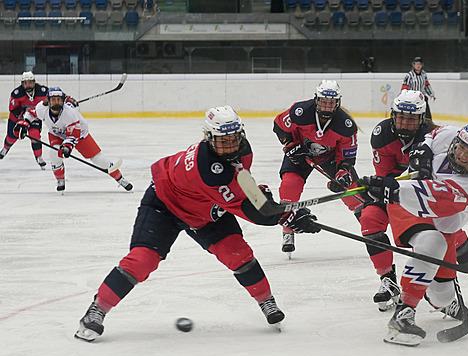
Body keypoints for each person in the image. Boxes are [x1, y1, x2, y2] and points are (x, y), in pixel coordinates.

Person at [74, 105, 320, 342]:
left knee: (239, 254)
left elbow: (246, 188)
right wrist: (285, 215)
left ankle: (267, 301)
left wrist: (275, 208)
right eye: (223, 141)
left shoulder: (242, 150)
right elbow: (252, 210)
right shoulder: (208, 168)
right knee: (142, 260)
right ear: (209, 138)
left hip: (205, 210)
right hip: (165, 205)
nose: (231, 144)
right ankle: (96, 311)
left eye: (234, 138)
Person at [358, 120, 468, 346]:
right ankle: (403, 316)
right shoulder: (452, 134)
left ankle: (434, 297)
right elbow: (432, 134)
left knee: (442, 296)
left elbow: (433, 196)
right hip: (407, 207)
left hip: (436, 215)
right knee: (432, 243)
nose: (462, 155)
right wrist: (422, 149)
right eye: (461, 147)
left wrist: (391, 190)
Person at [273, 80, 361, 256]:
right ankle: (288, 231)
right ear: (316, 99)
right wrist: (290, 144)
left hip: (330, 158)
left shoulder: (346, 125)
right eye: (323, 102)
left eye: (331, 103)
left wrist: (343, 173)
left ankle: (371, 228)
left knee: (352, 192)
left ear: (338, 102)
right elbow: (279, 126)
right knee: (289, 186)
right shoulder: (300, 111)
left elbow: (347, 157)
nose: (327, 106)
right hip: (300, 153)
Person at [17, 87, 133, 192]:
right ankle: (60, 180)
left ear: (63, 101)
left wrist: (67, 147)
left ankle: (120, 179)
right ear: (48, 101)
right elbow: (31, 114)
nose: (56, 102)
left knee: (99, 159)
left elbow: (73, 134)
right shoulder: (42, 108)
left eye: (58, 99)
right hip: (56, 133)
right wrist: (24, 124)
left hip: (80, 134)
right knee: (54, 154)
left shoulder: (70, 114)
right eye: (53, 100)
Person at [0, 71, 48, 168]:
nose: (28, 85)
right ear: (22, 84)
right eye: (26, 83)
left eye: (30, 82)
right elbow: (13, 109)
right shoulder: (17, 93)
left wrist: (67, 100)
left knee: (35, 135)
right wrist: (23, 117)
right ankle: (5, 148)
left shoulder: (42, 91)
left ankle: (39, 157)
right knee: (12, 136)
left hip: (34, 117)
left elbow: (55, 95)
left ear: (34, 82)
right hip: (17, 118)